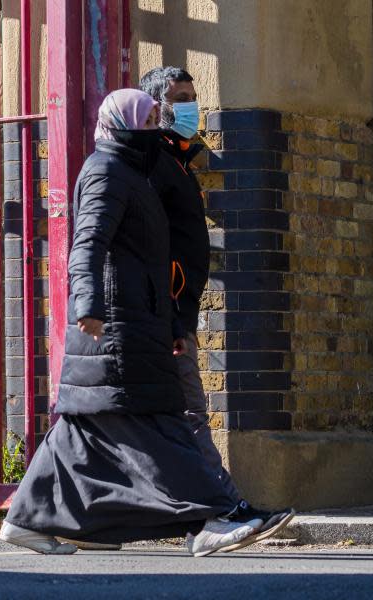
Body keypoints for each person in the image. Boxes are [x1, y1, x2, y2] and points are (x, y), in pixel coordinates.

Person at [0, 89, 263, 557]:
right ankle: (210, 518)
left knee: (81, 432)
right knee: (158, 422)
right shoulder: (106, 171)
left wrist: (174, 324)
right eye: (147, 117)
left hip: (138, 320)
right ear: (124, 124)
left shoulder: (131, 170)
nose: (155, 125)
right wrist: (89, 305)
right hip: (115, 325)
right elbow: (88, 243)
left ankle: (24, 518)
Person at [140, 66, 295, 546]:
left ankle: (53, 514)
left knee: (120, 423)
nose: (189, 105)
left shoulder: (179, 159)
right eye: (178, 98)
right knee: (186, 412)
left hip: (171, 312)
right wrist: (169, 315)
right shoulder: (155, 164)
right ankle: (223, 508)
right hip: (164, 316)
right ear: (154, 108)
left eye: (192, 95)